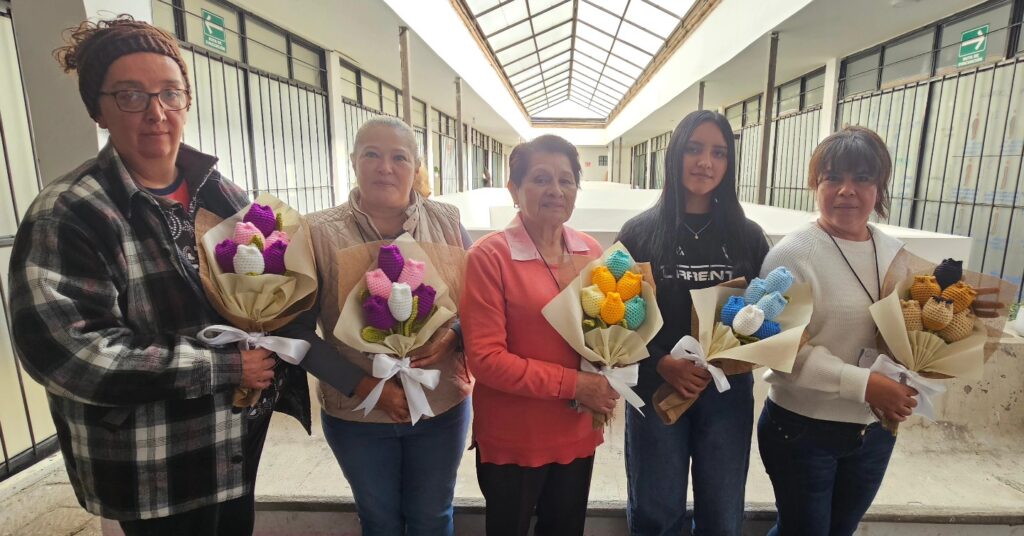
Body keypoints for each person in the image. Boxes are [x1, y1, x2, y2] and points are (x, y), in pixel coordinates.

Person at [8, 16, 309, 536]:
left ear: (187, 101)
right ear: (98, 109)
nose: (156, 112)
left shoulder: (223, 195)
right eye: (131, 95)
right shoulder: (70, 211)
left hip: (234, 442)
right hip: (154, 462)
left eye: (170, 93)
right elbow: (68, 354)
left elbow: (270, 290)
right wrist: (226, 369)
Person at [276, 116, 472, 536]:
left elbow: (480, 305)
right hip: (358, 413)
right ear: (353, 161)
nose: (385, 167)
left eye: (399, 157)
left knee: (433, 518)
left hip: (440, 406)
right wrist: (367, 388)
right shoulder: (316, 233)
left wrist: (452, 335)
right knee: (379, 521)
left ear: (416, 167)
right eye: (372, 154)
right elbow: (294, 330)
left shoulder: (449, 223)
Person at [756, 126, 918, 535]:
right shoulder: (792, 254)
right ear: (816, 185)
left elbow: (905, 335)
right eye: (833, 178)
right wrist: (865, 384)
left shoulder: (893, 253)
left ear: (879, 188)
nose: (847, 190)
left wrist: (912, 378)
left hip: (874, 431)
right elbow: (786, 351)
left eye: (862, 178)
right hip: (802, 430)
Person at [617, 110, 770, 535]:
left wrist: (737, 353)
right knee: (655, 512)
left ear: (729, 163)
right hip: (655, 390)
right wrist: (660, 363)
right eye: (695, 149)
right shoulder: (640, 233)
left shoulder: (748, 236)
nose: (706, 162)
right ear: (675, 155)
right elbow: (613, 320)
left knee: (722, 516)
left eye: (718, 153)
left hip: (726, 394)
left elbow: (768, 315)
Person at [460, 134, 619, 536]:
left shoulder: (589, 251)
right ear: (514, 189)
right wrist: (576, 384)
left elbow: (609, 330)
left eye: (566, 181)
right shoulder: (489, 256)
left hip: (577, 430)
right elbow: (486, 360)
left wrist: (616, 368)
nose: (555, 190)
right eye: (540, 179)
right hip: (516, 436)